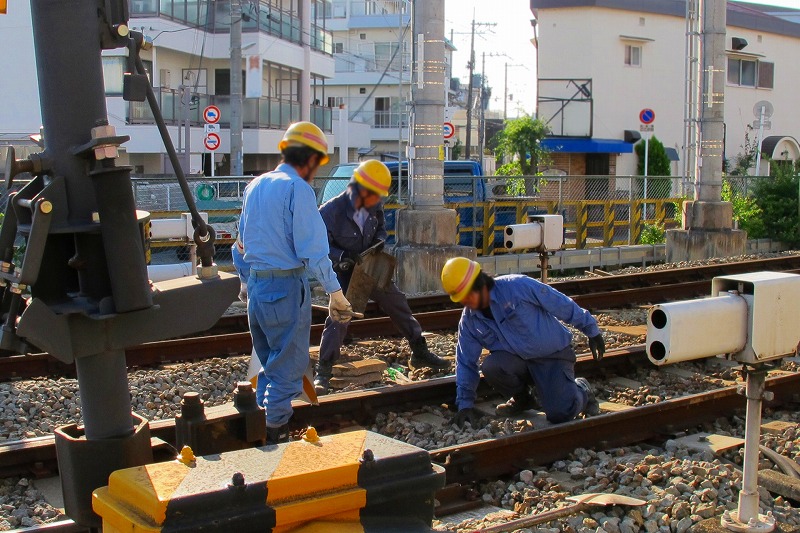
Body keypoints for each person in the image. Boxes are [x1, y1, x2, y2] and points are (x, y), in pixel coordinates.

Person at [235, 121, 355, 444]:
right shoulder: (297, 190)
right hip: (286, 288)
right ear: (310, 159)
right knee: (288, 370)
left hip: (258, 290)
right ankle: (274, 440)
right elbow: (313, 250)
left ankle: (259, 428)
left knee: (271, 366)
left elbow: (240, 245)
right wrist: (335, 293)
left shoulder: (255, 186)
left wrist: (246, 282)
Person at [314, 160, 449, 394]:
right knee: (340, 316)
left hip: (370, 266)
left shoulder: (375, 204)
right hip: (345, 272)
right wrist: (343, 256)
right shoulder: (329, 212)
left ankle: (419, 351)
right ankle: (323, 371)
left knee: (397, 303)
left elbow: (380, 229)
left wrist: (378, 242)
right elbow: (319, 246)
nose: (378, 199)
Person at [440, 257, 604, 427]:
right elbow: (465, 361)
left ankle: (582, 390)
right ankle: (523, 399)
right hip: (519, 361)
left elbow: (559, 303)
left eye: (467, 296)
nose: (465, 303)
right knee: (492, 366)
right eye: (461, 299)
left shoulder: (517, 287)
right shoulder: (470, 320)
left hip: (552, 356)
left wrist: (591, 330)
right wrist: (465, 405)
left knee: (560, 413)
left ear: (480, 284)